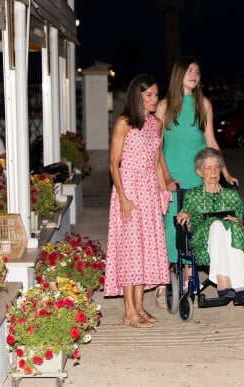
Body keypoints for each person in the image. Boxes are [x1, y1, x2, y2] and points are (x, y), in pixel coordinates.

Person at [154, 57, 238, 307]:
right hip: (171, 175)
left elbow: (211, 141)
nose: (194, 74)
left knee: (197, 222)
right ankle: (163, 280)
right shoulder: (164, 105)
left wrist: (225, 173)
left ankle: (190, 275)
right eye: (189, 71)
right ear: (178, 74)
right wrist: (165, 177)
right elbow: (156, 147)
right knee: (170, 226)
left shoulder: (204, 104)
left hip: (200, 173)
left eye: (197, 71)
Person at [104, 74, 170, 328]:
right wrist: (122, 197)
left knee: (145, 249)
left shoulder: (157, 123)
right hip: (129, 189)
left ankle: (140, 307)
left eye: (155, 94)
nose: (154, 99)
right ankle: (128, 311)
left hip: (149, 191)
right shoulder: (124, 122)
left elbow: (155, 161)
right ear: (137, 96)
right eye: (149, 95)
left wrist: (162, 190)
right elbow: (113, 163)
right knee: (130, 251)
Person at [175, 147, 244, 306]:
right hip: (203, 241)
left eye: (217, 167)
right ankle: (223, 280)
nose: (213, 171)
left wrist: (237, 222)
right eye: (208, 168)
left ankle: (240, 286)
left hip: (231, 238)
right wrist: (186, 215)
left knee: (231, 227)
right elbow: (187, 215)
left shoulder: (231, 195)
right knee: (217, 224)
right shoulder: (193, 194)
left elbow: (240, 221)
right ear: (200, 172)